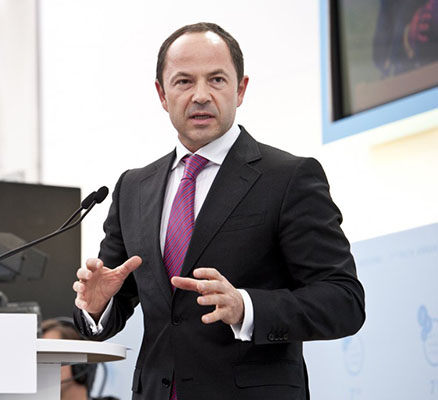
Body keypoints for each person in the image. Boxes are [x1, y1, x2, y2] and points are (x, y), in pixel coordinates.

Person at [72, 22, 365, 400]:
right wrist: (97, 307)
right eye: (183, 82)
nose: (200, 95)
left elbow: (343, 301)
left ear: (240, 89)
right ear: (162, 94)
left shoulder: (288, 177)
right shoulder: (133, 187)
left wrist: (246, 307)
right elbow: (117, 295)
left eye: (216, 80)